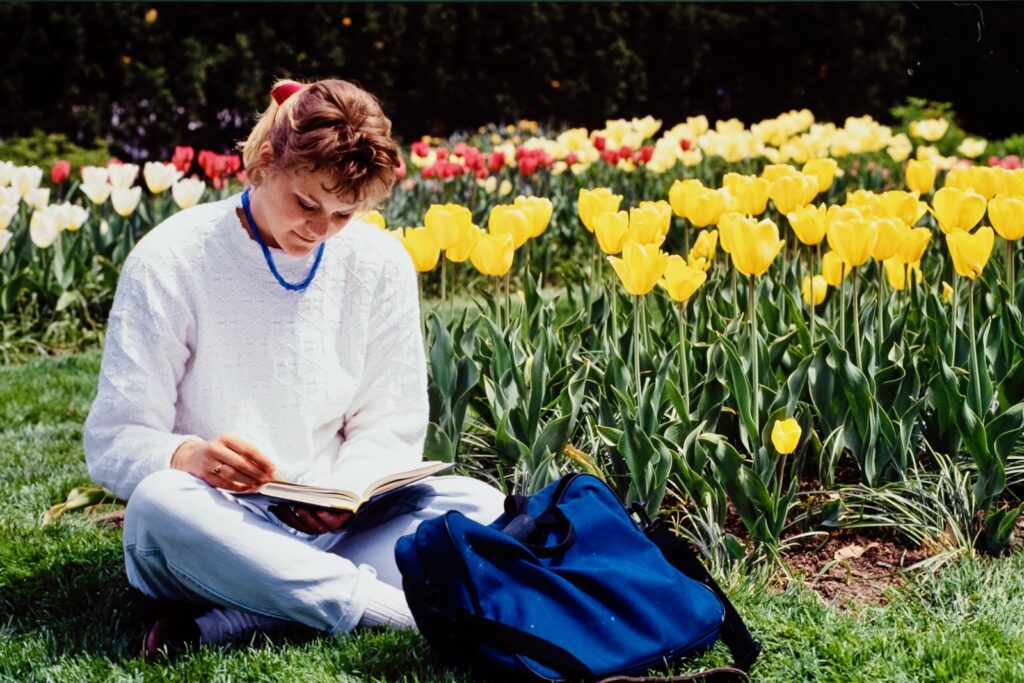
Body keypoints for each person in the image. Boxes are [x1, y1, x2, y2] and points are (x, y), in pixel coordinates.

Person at [82, 78, 506, 659]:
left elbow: (391, 421)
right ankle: (404, 618)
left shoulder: (380, 263)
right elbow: (113, 437)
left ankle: (244, 615)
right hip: (215, 522)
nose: (321, 229)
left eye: (344, 213)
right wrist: (186, 457)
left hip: (339, 528)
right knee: (159, 504)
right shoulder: (171, 258)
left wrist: (348, 492)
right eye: (307, 204)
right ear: (263, 161)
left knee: (478, 502)